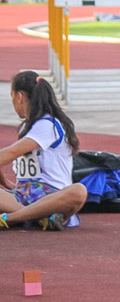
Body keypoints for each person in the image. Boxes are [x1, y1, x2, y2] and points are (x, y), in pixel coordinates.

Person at [0, 71, 88, 230]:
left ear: (19, 96)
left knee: (79, 191)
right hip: (21, 195)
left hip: (53, 197)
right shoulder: (28, 128)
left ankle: (10, 218)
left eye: (12, 96)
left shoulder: (48, 125)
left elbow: (11, 153)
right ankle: (40, 217)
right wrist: (6, 183)